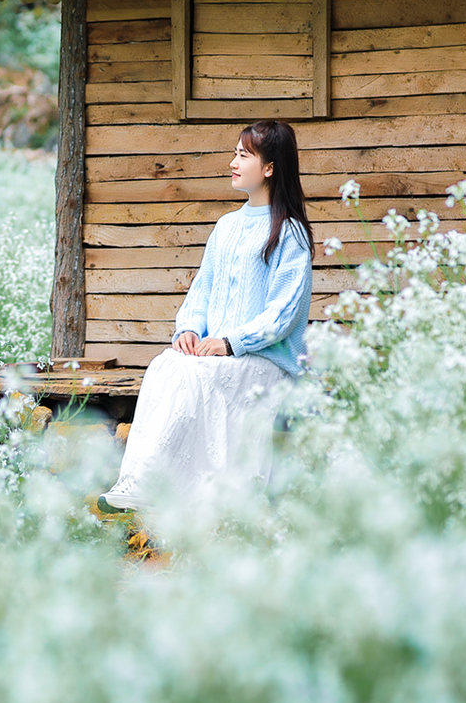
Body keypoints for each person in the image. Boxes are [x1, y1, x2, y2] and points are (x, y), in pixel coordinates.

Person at [98, 118, 313, 513]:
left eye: (243, 155)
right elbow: (202, 290)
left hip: (265, 360)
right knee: (166, 365)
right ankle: (140, 483)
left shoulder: (290, 233)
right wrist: (190, 330)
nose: (233, 162)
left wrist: (232, 343)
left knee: (202, 375)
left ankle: (209, 495)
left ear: (269, 168)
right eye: (234, 152)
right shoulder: (226, 226)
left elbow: (283, 313)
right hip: (216, 353)